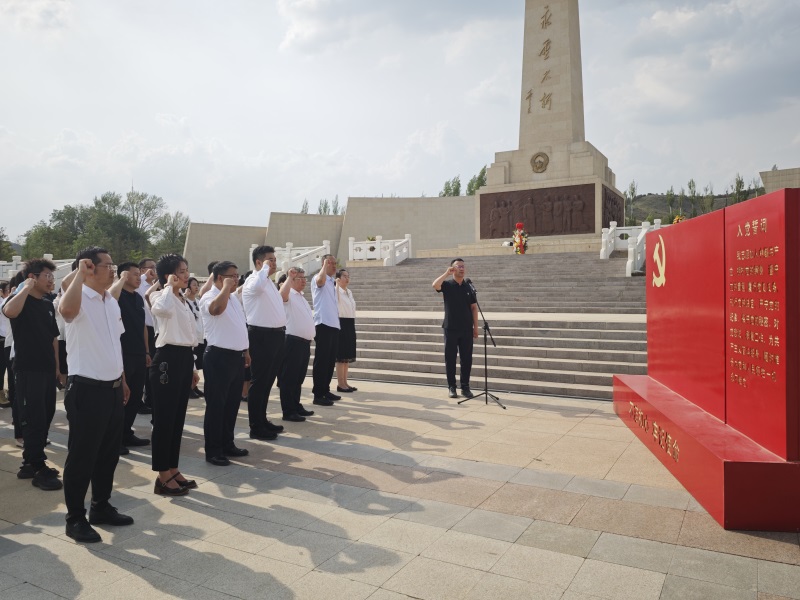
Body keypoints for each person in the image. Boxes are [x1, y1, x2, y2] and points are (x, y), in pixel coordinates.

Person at [59, 247, 133, 544]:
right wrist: (79, 273)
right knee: (82, 457)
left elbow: (115, 344)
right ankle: (74, 518)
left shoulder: (110, 302)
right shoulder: (77, 297)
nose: (113, 269)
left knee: (108, 454)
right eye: (107, 264)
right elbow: (66, 312)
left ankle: (100, 506)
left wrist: (123, 380)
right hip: (86, 390)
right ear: (90, 268)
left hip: (113, 388)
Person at [2, 258, 63, 491]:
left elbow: (53, 338)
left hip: (47, 369)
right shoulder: (20, 300)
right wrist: (24, 289)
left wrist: (57, 367)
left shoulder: (48, 304)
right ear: (32, 278)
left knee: (46, 414)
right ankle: (38, 467)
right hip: (27, 369)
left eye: (52, 276)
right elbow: (9, 311)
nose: (51, 280)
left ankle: (30, 462)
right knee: (33, 416)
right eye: (46, 276)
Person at [148, 254, 199, 495]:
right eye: (181, 271)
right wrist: (167, 285)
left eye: (186, 270)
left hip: (184, 358)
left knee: (177, 419)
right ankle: (161, 475)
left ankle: (173, 468)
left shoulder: (183, 300)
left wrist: (193, 368)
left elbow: (189, 335)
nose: (185, 275)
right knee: (164, 420)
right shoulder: (160, 295)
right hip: (166, 359)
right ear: (169, 274)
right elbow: (160, 311)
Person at [200, 261, 250, 466]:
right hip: (218, 358)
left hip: (236, 357)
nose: (236, 279)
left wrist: (245, 350)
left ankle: (227, 443)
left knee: (231, 405)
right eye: (232, 276)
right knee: (216, 406)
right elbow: (216, 310)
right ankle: (213, 450)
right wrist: (227, 289)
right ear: (219, 278)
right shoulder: (210, 296)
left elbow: (239, 324)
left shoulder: (232, 298)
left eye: (237, 275)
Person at [242, 246, 286, 440]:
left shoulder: (268, 281)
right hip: (261, 336)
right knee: (259, 382)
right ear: (258, 262)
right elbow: (257, 288)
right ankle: (255, 426)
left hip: (276, 336)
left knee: (268, 381)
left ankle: (262, 419)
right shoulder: (254, 280)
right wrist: (263, 271)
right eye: (270, 260)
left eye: (275, 260)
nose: (274, 263)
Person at [114, 263, 152, 455]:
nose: (139, 277)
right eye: (135, 274)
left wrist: (146, 351)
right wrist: (119, 281)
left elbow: (144, 326)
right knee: (122, 398)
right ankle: (116, 438)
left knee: (135, 397)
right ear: (124, 275)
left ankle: (127, 432)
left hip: (138, 353)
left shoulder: (137, 298)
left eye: (140, 274)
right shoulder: (115, 296)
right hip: (123, 353)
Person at [432, 258, 478, 399]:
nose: (462, 268)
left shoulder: (469, 287)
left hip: (466, 329)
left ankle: (465, 387)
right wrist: (446, 273)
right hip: (450, 328)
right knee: (450, 359)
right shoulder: (447, 285)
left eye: (463, 266)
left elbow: (474, 308)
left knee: (466, 359)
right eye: (458, 266)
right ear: (453, 269)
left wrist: (475, 327)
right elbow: (435, 285)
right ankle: (452, 387)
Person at [278, 269, 316, 422]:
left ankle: (296, 405)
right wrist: (289, 277)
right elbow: (281, 295)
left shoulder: (301, 297)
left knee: (298, 378)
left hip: (304, 343)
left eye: (304, 278)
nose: (303, 281)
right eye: (299, 278)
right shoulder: (289, 295)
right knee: (289, 378)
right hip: (292, 342)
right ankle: (288, 411)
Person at [311, 254, 340, 406]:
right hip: (323, 324)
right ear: (324, 264)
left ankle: (325, 389)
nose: (335, 266)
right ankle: (318, 394)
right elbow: (320, 281)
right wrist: (323, 266)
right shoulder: (319, 278)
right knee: (322, 360)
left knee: (330, 361)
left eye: (335, 263)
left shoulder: (332, 281)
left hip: (334, 324)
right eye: (331, 263)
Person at [137, 258, 157, 415]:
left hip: (154, 330)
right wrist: (144, 277)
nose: (153, 270)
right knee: (144, 368)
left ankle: (150, 399)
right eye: (150, 268)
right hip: (144, 329)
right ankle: (139, 401)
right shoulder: (139, 284)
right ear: (142, 270)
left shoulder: (154, 286)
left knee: (153, 369)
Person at [334, 269, 357, 393]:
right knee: (341, 356)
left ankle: (345, 383)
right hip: (341, 322)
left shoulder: (349, 292)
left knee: (347, 356)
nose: (347, 279)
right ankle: (340, 384)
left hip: (350, 323)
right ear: (338, 278)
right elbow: (335, 300)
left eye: (348, 276)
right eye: (344, 276)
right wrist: (336, 284)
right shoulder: (336, 290)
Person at [183, 277, 205, 398]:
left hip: (200, 337)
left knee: (196, 365)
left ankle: (194, 386)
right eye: (194, 285)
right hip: (191, 338)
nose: (197, 287)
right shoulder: (185, 302)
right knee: (191, 364)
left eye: (197, 285)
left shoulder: (197, 301)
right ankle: (189, 388)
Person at [0, 281, 10, 407]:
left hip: (5, 338)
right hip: (1, 338)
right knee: (1, 368)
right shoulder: (3, 301)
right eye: (7, 290)